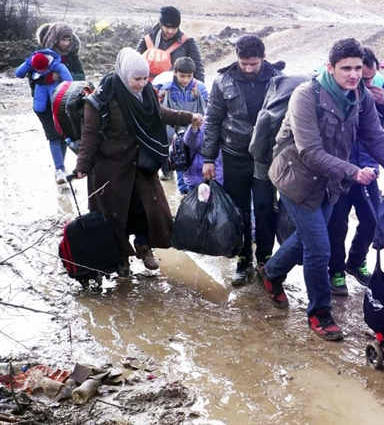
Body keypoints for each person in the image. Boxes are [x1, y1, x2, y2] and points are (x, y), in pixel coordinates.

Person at [256, 38, 384, 341]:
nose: (354, 74)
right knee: (319, 248)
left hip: (331, 182)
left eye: (358, 68)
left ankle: (270, 273)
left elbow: (377, 139)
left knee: (305, 237)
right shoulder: (305, 96)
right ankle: (320, 313)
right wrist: (353, 171)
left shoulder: (362, 97)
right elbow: (309, 151)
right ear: (330, 68)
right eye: (346, 68)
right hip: (297, 179)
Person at [73, 48, 202, 275]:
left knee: (148, 208)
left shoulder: (147, 93)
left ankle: (144, 247)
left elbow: (159, 113)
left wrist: (188, 117)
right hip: (109, 167)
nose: (142, 83)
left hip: (140, 163)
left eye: (145, 78)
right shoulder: (101, 99)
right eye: (137, 79)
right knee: (114, 216)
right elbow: (90, 135)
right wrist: (82, 166)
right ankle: (120, 258)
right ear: (124, 75)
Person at [202, 34, 284, 287]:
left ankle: (265, 259)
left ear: (263, 58)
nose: (248, 69)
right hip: (234, 153)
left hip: (266, 156)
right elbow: (213, 120)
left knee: (265, 208)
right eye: (243, 63)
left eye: (254, 64)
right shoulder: (222, 81)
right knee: (237, 210)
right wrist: (208, 158)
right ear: (237, 58)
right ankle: (243, 259)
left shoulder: (278, 81)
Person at [326, 46, 384, 295]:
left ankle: (356, 261)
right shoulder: (335, 87)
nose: (365, 81)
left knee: (372, 219)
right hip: (340, 170)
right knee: (337, 223)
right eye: (362, 75)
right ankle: (336, 271)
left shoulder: (377, 86)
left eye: (370, 76)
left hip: (368, 168)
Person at [19, 22, 85, 185]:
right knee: (54, 136)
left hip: (64, 101)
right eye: (63, 39)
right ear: (55, 38)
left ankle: (61, 168)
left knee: (64, 134)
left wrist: (64, 77)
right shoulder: (40, 54)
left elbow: (80, 76)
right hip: (44, 104)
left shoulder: (71, 56)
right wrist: (49, 78)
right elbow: (31, 76)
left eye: (68, 39)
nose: (66, 43)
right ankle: (59, 169)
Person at [156, 57, 209, 191]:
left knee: (190, 160)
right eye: (182, 76)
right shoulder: (165, 87)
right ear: (174, 72)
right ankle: (178, 184)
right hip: (172, 133)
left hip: (193, 132)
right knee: (177, 159)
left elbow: (207, 109)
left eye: (189, 76)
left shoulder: (200, 88)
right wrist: (160, 93)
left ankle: (187, 189)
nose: (185, 80)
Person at [135, 6, 205, 83]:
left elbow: (198, 70)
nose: (170, 31)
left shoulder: (188, 43)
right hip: (148, 91)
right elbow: (133, 66)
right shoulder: (146, 41)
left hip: (177, 92)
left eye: (174, 28)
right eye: (167, 27)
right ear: (160, 24)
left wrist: (200, 91)